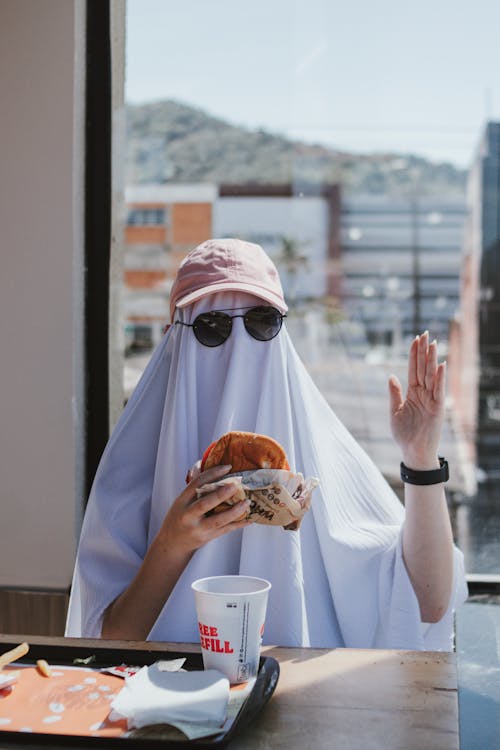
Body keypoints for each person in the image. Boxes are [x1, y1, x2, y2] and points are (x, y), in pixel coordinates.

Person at [66, 238, 467, 649]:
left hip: (311, 701)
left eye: (261, 323)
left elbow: (426, 605)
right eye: (213, 327)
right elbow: (109, 639)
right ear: (175, 339)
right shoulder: (134, 472)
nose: (240, 347)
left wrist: (420, 460)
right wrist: (173, 543)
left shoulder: (323, 462)